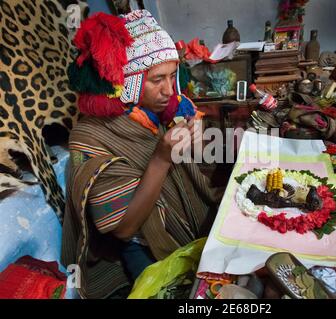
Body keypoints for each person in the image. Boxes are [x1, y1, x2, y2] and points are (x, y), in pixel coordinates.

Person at [62, 9, 221, 299]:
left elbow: (199, 163)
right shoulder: (90, 137)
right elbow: (124, 230)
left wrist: (197, 135)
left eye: (172, 77)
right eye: (156, 79)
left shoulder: (160, 110)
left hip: (182, 220)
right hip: (138, 242)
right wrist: (161, 159)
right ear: (129, 82)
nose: (168, 90)